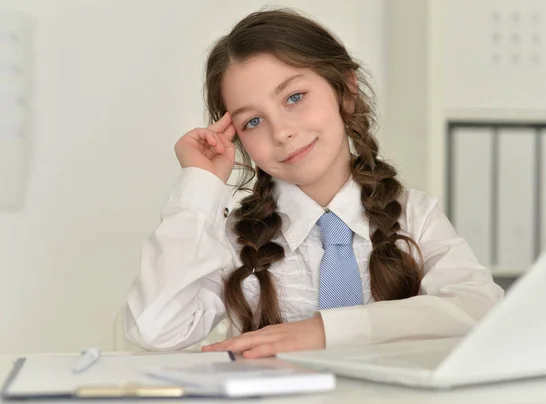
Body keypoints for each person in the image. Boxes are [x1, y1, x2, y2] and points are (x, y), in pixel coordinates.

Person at [122, 8, 504, 359]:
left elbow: (480, 309)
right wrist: (199, 185)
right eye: (252, 121)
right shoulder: (235, 239)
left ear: (346, 91)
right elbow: (154, 330)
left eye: (295, 97)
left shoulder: (414, 216)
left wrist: (325, 331)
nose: (282, 132)